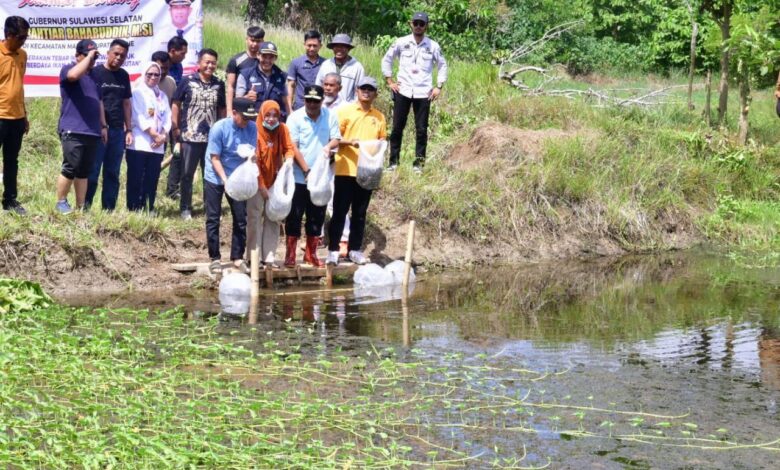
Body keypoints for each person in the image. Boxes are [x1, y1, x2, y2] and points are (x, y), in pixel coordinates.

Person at [327, 77, 386, 266]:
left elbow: (382, 140)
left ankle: (354, 249)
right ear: (357, 91)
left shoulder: (379, 117)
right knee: (339, 211)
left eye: (370, 89)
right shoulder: (344, 111)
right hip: (345, 168)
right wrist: (350, 142)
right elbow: (334, 138)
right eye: (363, 89)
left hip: (367, 172)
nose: (366, 92)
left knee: (360, 213)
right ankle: (333, 250)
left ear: (375, 94)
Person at [382, 11, 447, 171]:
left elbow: (442, 65)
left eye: (421, 24)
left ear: (426, 26)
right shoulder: (401, 42)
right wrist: (389, 80)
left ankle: (419, 164)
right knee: (397, 127)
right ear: (411, 24)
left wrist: (439, 86)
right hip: (402, 90)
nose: (418, 26)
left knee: (421, 129)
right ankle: (393, 162)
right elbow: (387, 59)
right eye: (415, 23)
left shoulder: (433, 46)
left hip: (424, 92)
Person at [284, 85, 341, 267]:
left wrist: (329, 146)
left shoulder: (330, 116)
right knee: (295, 215)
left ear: (322, 100)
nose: (312, 104)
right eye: (309, 100)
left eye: (316, 101)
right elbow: (293, 146)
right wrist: (306, 170)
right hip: (299, 177)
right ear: (304, 100)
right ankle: (290, 255)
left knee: (316, 216)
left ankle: (311, 254)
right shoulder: (295, 117)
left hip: (321, 177)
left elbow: (336, 138)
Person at [203, 97, 258, 275]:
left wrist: (251, 159)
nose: (247, 121)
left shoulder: (252, 127)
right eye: (244, 117)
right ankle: (215, 258)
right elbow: (214, 158)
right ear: (234, 113)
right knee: (213, 217)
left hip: (239, 177)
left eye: (250, 118)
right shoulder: (219, 128)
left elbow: (254, 152)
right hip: (216, 176)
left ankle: (237, 257)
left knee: (240, 218)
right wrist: (226, 181)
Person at [171, 48, 226, 220]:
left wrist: (221, 131)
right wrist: (176, 129)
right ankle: (185, 208)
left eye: (213, 63)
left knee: (210, 174)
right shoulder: (187, 81)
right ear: (199, 63)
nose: (210, 65)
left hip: (211, 138)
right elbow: (176, 103)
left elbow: (222, 109)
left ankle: (209, 206)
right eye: (207, 62)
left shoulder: (219, 84)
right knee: (187, 174)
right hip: (190, 136)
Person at [55, 39, 108, 214]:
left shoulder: (95, 76)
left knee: (84, 171)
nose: (92, 61)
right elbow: (72, 76)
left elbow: (99, 102)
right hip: (73, 128)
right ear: (78, 55)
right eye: (87, 56)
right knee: (71, 166)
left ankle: (80, 206)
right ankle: (61, 202)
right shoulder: (68, 69)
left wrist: (103, 126)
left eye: (94, 57)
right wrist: (89, 58)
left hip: (92, 131)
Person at [86, 38, 132, 211]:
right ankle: (86, 207)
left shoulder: (124, 75)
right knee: (93, 171)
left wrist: (129, 129)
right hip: (97, 131)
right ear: (108, 53)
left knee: (112, 173)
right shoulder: (95, 72)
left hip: (118, 131)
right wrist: (101, 126)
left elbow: (126, 103)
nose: (119, 58)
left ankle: (109, 210)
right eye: (116, 54)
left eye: (123, 56)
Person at [248, 100, 296, 268]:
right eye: (267, 115)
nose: (271, 119)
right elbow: (255, 163)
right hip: (256, 181)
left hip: (275, 182)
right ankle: (253, 257)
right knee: (254, 218)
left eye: (275, 115)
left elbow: (289, 148)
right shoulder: (254, 131)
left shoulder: (282, 129)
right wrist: (261, 186)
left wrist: (289, 159)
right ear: (262, 114)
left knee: (273, 218)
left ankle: (268, 257)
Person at [125, 62, 171, 213]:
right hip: (140, 142)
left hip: (157, 145)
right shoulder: (137, 93)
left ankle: (148, 208)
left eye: (156, 74)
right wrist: (155, 135)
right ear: (144, 75)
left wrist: (163, 136)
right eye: (149, 74)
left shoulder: (162, 96)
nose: (153, 77)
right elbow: (138, 117)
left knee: (152, 178)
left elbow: (168, 119)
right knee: (136, 178)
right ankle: (133, 209)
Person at [0, 16, 30, 215]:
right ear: (8, 34)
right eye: (20, 37)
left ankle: (10, 200)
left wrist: (24, 115)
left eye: (26, 37)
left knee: (12, 160)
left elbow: (19, 86)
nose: (23, 41)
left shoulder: (22, 55)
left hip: (17, 118)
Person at [236, 41, 290, 122]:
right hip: (253, 122)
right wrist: (246, 98)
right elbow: (237, 101)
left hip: (275, 123)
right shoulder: (245, 75)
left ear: (275, 58)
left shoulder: (282, 77)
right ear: (258, 55)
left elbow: (287, 103)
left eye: (271, 57)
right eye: (264, 56)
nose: (267, 60)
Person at [164, 35, 189, 200]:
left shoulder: (178, 66)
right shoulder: (161, 64)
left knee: (178, 151)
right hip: (159, 116)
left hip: (176, 115)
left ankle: (172, 189)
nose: (184, 57)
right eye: (182, 53)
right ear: (172, 51)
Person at [225, 26, 264, 116]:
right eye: (252, 40)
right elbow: (230, 87)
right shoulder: (236, 61)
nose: (254, 44)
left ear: (263, 41)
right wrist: (229, 110)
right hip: (239, 107)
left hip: (259, 108)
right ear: (246, 39)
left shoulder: (265, 62)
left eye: (258, 41)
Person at [315, 34, 365, 103]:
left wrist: (353, 107)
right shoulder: (326, 65)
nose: (339, 49)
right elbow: (318, 85)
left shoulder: (357, 67)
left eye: (342, 47)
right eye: (336, 46)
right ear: (332, 48)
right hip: (326, 107)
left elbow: (359, 91)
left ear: (348, 48)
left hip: (347, 109)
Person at [287, 30, 325, 111]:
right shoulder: (296, 62)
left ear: (320, 46)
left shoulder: (326, 63)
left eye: (315, 46)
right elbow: (291, 86)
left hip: (319, 105)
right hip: (300, 105)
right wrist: (289, 108)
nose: (312, 48)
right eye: (309, 45)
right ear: (304, 45)